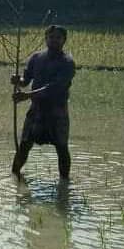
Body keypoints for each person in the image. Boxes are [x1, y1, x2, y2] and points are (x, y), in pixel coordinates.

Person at [10, 25, 75, 179]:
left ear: (64, 40)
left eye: (58, 38)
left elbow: (54, 88)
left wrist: (27, 96)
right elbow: (25, 80)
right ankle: (15, 176)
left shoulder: (67, 62)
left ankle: (64, 182)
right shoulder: (36, 58)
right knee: (24, 145)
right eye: (51, 37)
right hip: (36, 110)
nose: (54, 41)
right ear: (46, 39)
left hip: (57, 111)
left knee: (61, 147)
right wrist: (16, 81)